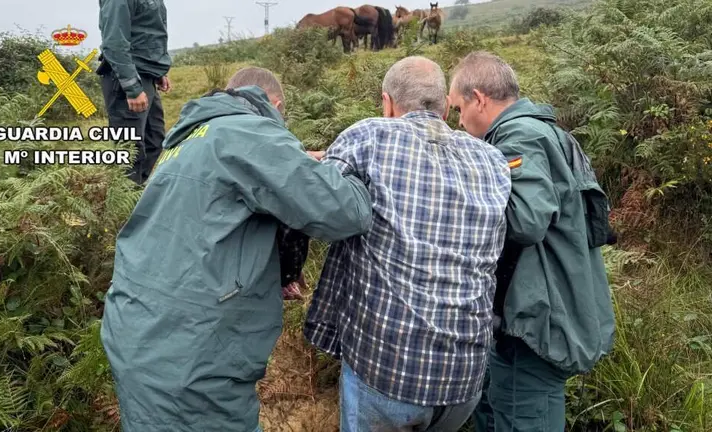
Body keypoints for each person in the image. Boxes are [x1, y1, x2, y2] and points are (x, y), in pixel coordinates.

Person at [100, 66, 373, 432]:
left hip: (136, 332)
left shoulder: (190, 139)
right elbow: (347, 212)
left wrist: (293, 161)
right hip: (190, 360)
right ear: (274, 104)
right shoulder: (252, 133)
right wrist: (351, 169)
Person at [304, 56, 513, 432]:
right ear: (446, 108)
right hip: (464, 380)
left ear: (387, 103)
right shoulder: (492, 160)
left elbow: (317, 206)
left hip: (390, 371)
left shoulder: (368, 136)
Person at [447, 51, 616, 431]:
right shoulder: (545, 130)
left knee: (524, 415)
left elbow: (525, 220)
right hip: (541, 314)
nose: (459, 122)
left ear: (479, 98)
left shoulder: (519, 136)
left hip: (538, 326)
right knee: (498, 408)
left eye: (459, 108)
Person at [97, 0, 172, 185]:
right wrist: (131, 87)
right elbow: (114, 43)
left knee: (155, 140)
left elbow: (147, 32)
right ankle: (122, 205)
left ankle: (137, 196)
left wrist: (156, 71)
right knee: (130, 150)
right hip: (127, 79)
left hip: (145, 74)